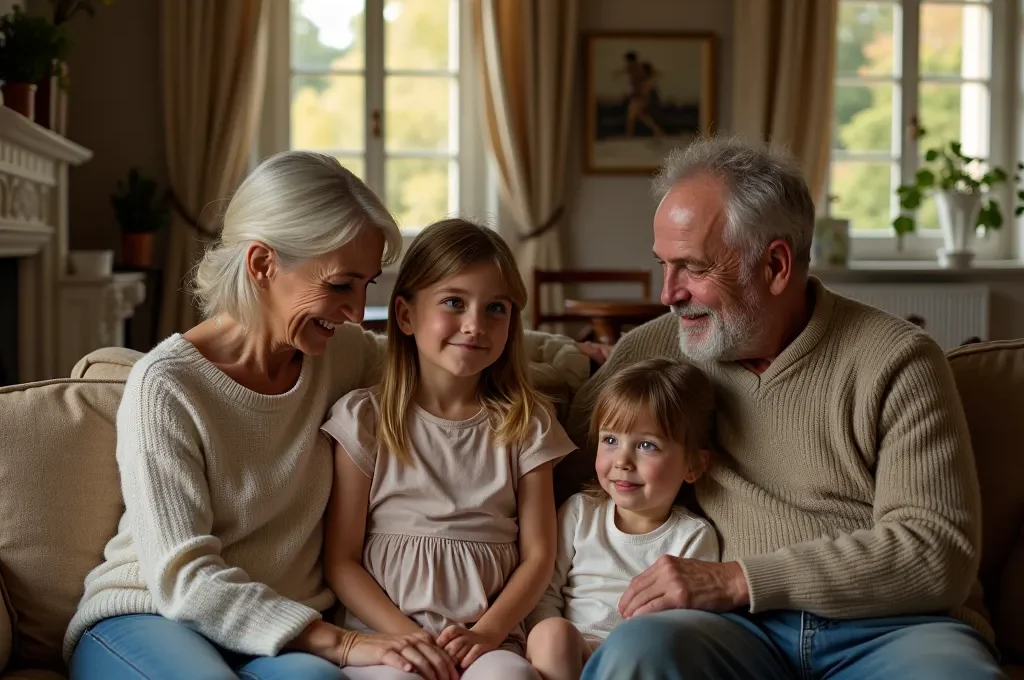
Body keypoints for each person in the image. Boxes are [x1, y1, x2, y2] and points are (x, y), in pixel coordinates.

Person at [63, 152, 586, 680]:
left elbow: (449, 354)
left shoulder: (338, 352)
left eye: (367, 286)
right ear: (262, 264)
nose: (358, 312)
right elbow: (183, 578)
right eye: (340, 286)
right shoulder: (166, 387)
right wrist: (343, 640)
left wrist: (577, 356)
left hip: (280, 629)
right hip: (155, 614)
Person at [559, 137, 1004, 679]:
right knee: (637, 652)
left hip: (895, 628)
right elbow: (556, 465)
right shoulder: (651, 351)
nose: (668, 293)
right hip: (730, 628)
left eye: (692, 268)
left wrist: (734, 579)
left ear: (774, 265)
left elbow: (936, 552)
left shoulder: (896, 360)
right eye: (664, 265)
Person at [321, 219, 578, 680]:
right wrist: (406, 638)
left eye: (496, 308)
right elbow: (342, 560)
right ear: (405, 316)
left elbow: (539, 555)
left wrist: (488, 631)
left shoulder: (528, 423)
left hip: (490, 638)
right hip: (386, 637)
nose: (475, 325)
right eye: (454, 303)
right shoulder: (365, 420)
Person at [525, 358, 720, 680]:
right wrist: (555, 639)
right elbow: (545, 594)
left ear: (693, 466)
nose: (623, 461)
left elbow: (687, 621)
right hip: (566, 652)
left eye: (647, 445)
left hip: (633, 660)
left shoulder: (692, 536)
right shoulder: (579, 513)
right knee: (552, 634)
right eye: (611, 440)